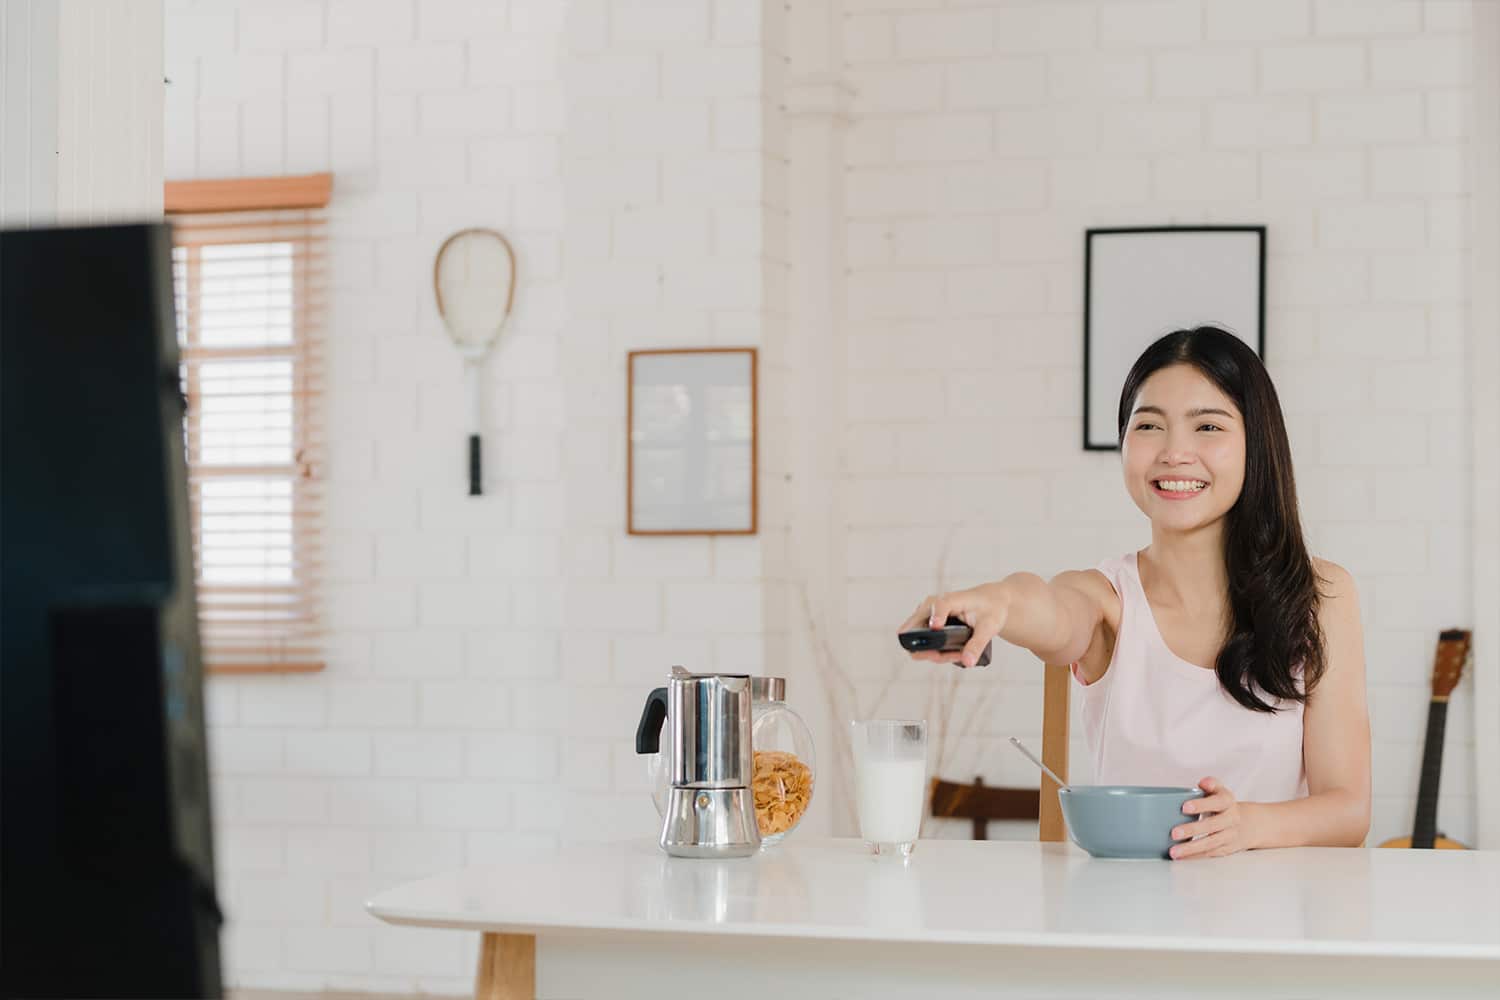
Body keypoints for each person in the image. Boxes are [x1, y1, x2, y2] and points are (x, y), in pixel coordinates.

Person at [900, 327, 1371, 859]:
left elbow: (1348, 810)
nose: (1174, 453)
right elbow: (1051, 608)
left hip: (1268, 923)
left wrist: (1249, 827)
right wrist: (999, 603)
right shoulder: (1108, 600)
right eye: (1149, 425)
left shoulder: (1321, 596)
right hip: (1123, 919)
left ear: (1256, 444)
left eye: (1207, 426)